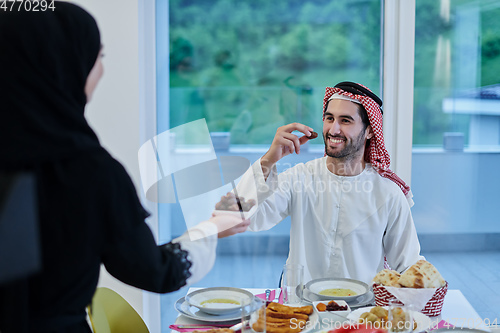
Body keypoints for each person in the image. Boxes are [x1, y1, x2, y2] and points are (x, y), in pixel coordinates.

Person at [0, 3, 249, 333]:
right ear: (62, 66)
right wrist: (208, 230)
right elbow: (155, 270)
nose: (101, 71)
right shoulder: (87, 172)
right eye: (97, 57)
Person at [234, 81, 424, 285]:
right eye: (329, 118)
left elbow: (408, 266)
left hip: (361, 312)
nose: (334, 129)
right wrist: (268, 160)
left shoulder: (388, 193)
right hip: (301, 308)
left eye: (345, 121)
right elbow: (242, 217)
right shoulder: (300, 178)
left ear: (369, 131)